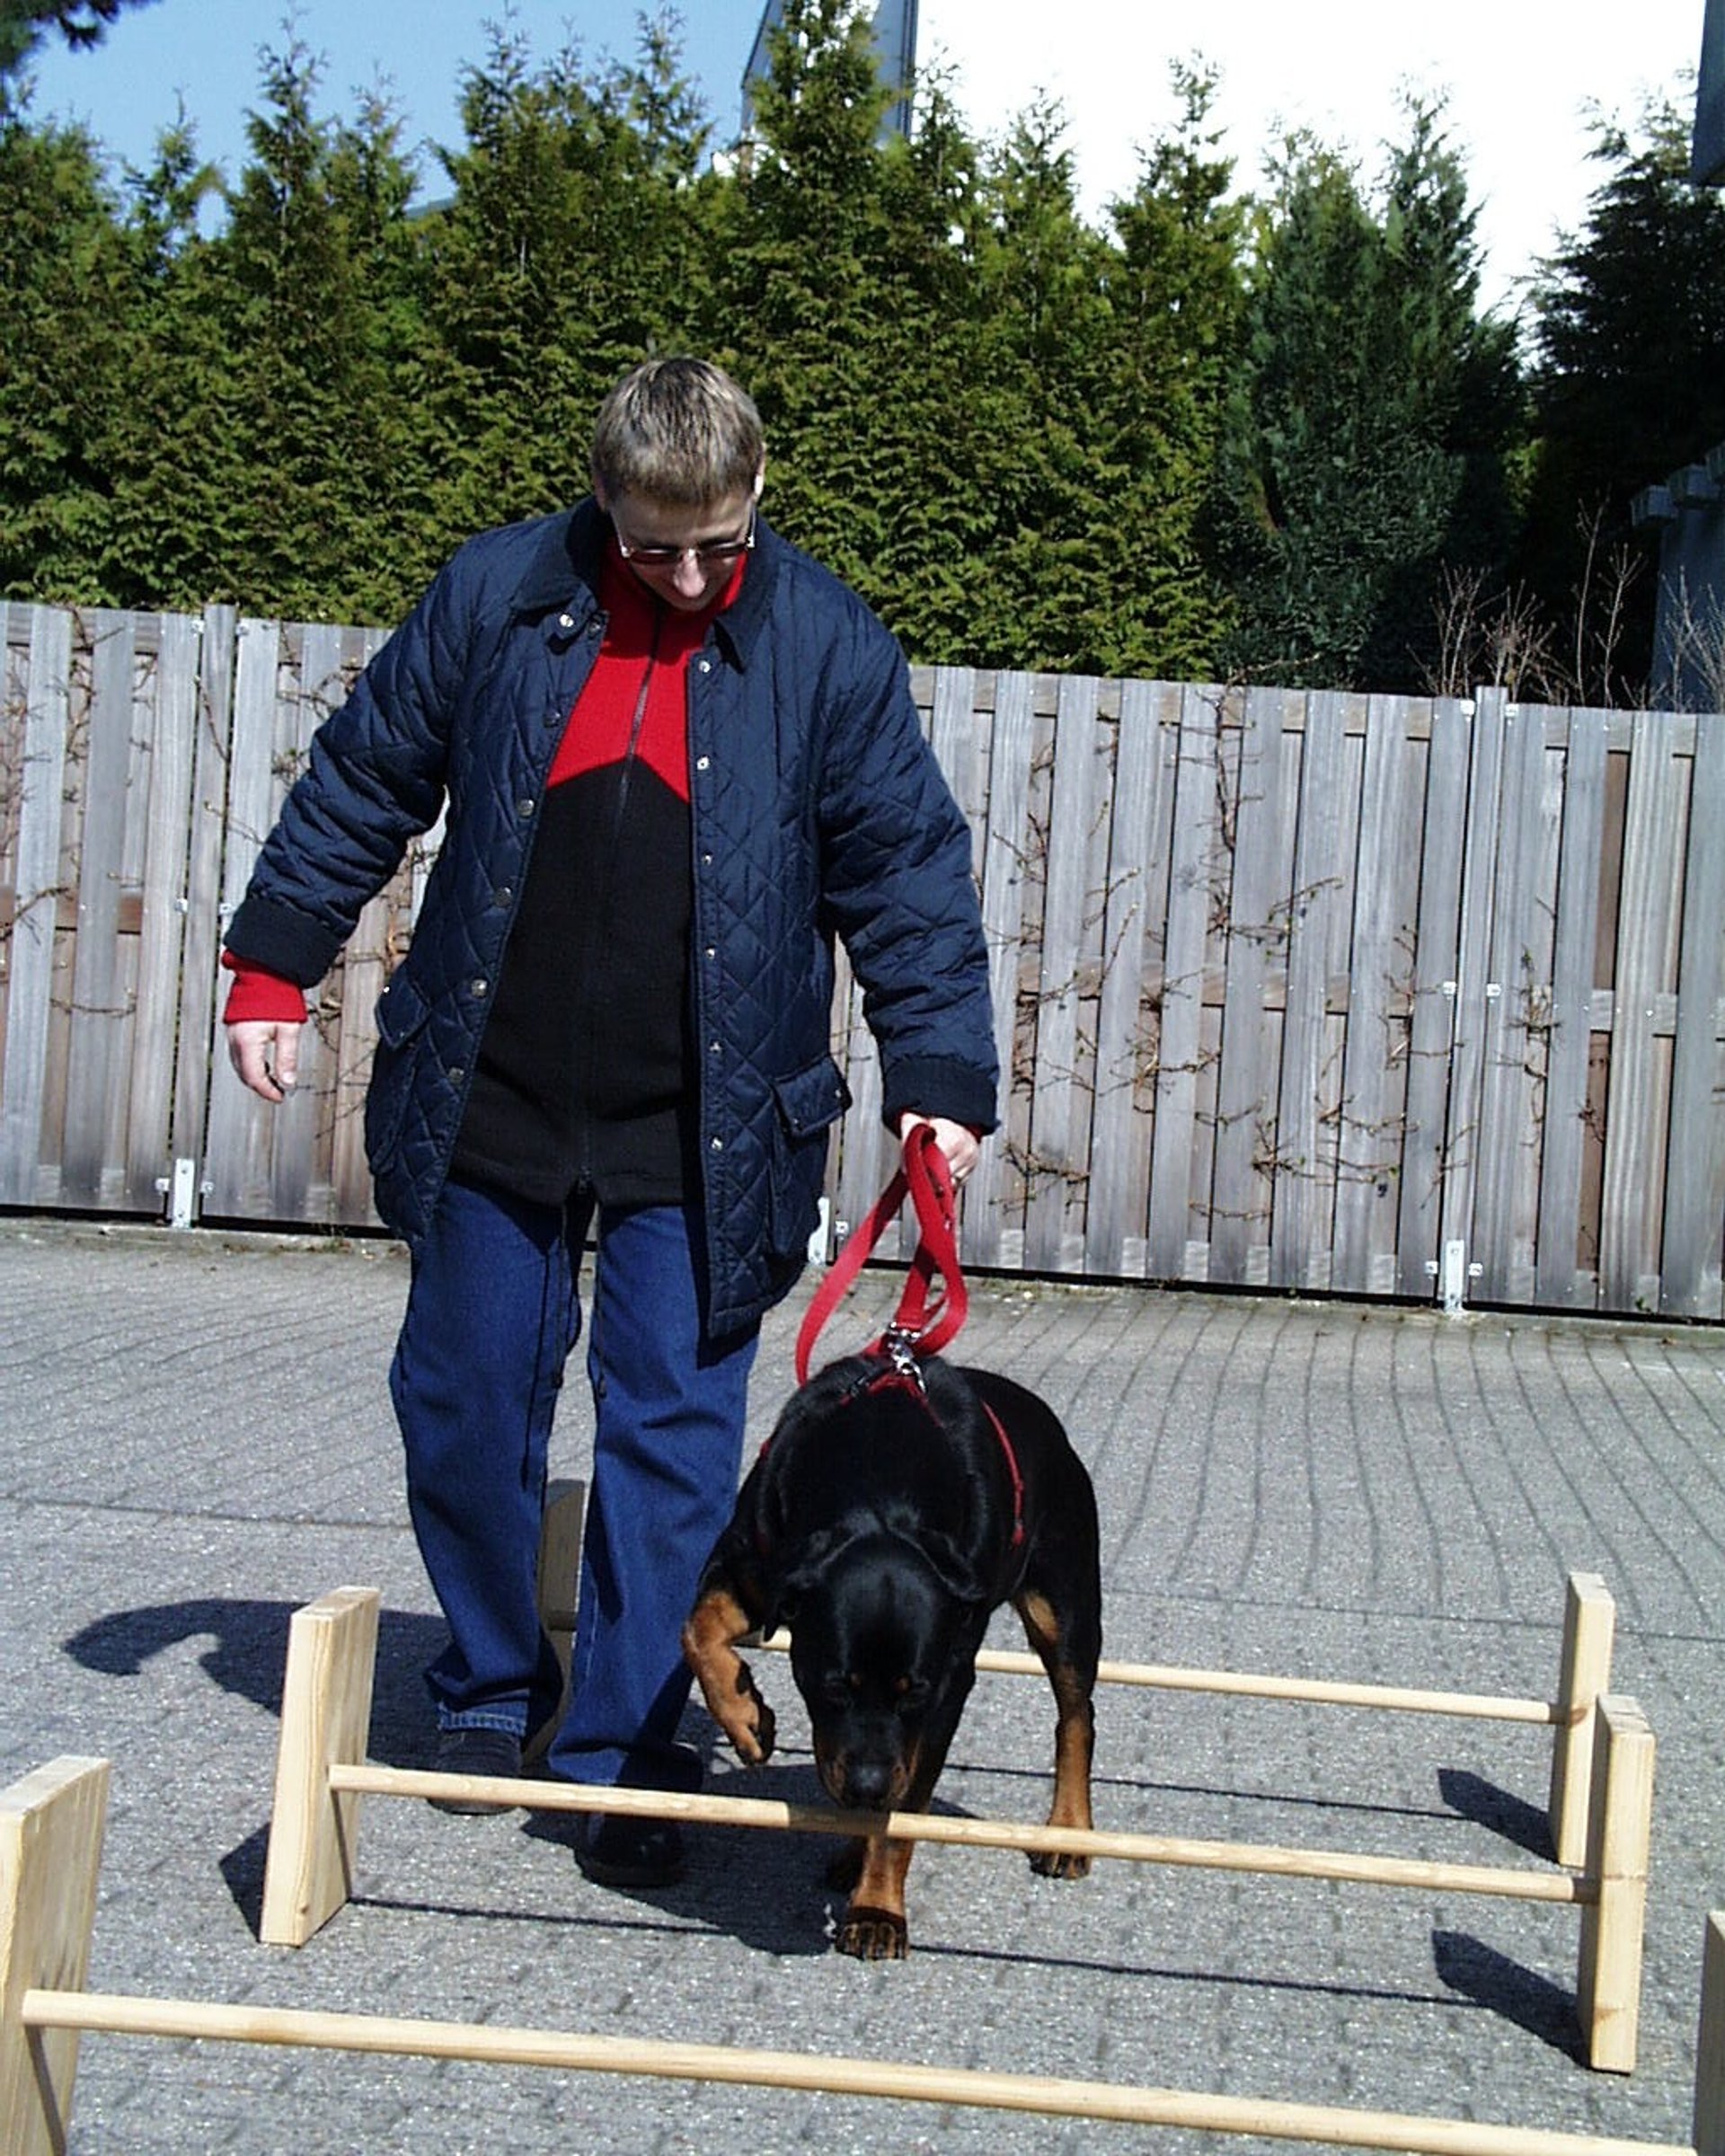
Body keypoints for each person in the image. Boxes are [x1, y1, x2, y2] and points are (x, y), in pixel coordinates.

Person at [222, 357, 997, 1888]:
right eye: (656, 549)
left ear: (756, 494)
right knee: (460, 1402)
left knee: (672, 1442)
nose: (692, 578)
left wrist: (940, 1070)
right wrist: (270, 966)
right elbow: (367, 772)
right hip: (491, 1093)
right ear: (602, 500)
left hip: (710, 1129)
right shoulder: (499, 596)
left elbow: (905, 865)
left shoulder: (826, 642)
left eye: (721, 545)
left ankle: (628, 1750)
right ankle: (495, 1680)